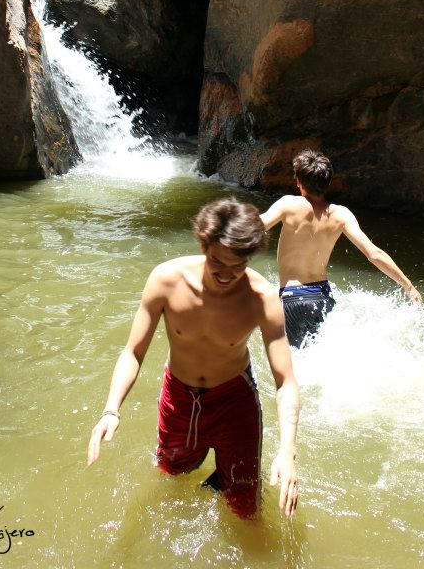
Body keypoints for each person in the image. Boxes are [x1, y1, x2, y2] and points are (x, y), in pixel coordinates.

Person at [86, 198, 299, 519]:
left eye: (237, 266)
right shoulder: (166, 280)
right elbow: (133, 351)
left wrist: (287, 451)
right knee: (170, 482)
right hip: (179, 400)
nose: (226, 275)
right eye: (217, 262)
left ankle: (225, 485)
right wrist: (110, 410)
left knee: (245, 507)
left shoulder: (262, 298)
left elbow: (286, 381)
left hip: (233, 402)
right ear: (204, 246)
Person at [260, 150, 423, 349]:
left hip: (293, 298)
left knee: (291, 365)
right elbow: (374, 254)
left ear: (298, 182)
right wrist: (409, 286)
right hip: (323, 297)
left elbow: (254, 227)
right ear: (328, 183)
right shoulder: (341, 214)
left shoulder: (289, 204)